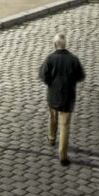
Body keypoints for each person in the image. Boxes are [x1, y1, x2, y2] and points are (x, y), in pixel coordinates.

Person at [38, 32, 86, 166]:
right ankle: (63, 155)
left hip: (53, 95)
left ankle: (52, 138)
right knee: (64, 125)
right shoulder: (73, 59)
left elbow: (43, 76)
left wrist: (51, 83)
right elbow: (81, 76)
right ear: (66, 44)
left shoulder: (49, 59)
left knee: (52, 117)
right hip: (68, 96)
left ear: (54, 45)